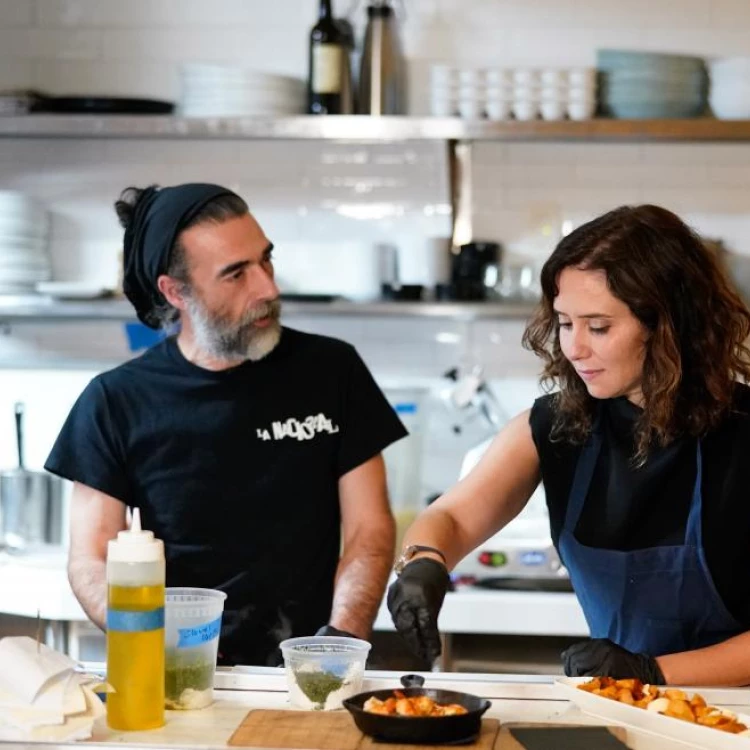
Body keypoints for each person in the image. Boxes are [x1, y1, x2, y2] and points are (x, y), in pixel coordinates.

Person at [387, 204, 750, 686]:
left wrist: (651, 672)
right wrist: (424, 562)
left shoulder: (742, 434)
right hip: (627, 707)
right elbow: (452, 517)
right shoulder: (555, 428)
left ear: (668, 325)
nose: (575, 347)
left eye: (598, 327)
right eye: (564, 322)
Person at [46, 183, 407, 666]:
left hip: (310, 664)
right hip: (179, 670)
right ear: (175, 291)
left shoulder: (332, 371)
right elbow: (91, 557)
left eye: (266, 261)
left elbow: (369, 529)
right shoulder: (115, 401)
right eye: (236, 274)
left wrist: (336, 647)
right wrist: (158, 648)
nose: (268, 288)